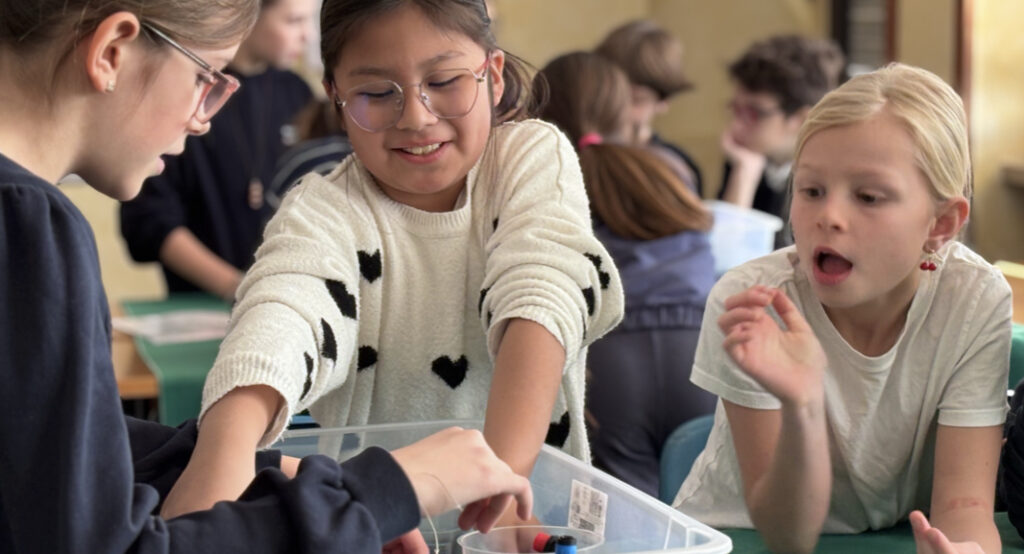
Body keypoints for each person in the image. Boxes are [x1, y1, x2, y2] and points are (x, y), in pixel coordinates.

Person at [0, 1, 535, 552]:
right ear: (112, 51)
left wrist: (280, 478)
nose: (201, 118)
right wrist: (380, 493)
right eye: (205, 78)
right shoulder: (26, 224)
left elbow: (46, 466)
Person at [159, 0, 624, 526]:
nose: (416, 116)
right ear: (336, 98)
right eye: (377, 93)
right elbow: (279, 319)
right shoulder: (324, 208)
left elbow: (542, 295)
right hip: (378, 524)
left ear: (492, 76)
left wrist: (499, 476)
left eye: (446, 80)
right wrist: (219, 458)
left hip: (531, 510)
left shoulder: (530, 159)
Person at [674, 63, 1008, 554]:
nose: (829, 216)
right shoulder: (754, 298)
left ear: (941, 222)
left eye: (868, 197)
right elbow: (787, 533)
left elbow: (964, 508)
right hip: (738, 538)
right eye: (810, 191)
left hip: (889, 540)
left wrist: (968, 550)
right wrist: (802, 405)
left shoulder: (975, 299)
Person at [536, 51, 716, 497]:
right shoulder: (667, 169)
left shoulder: (549, 184)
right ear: (626, 112)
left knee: (623, 521)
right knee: (706, 514)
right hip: (701, 348)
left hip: (608, 356)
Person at [119, 0, 317, 300]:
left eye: (310, 20)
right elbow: (150, 218)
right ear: (249, 15)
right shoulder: (186, 88)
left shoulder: (300, 95)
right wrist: (238, 288)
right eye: (293, 21)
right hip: (198, 307)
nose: (309, 36)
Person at [717, 34, 845, 247]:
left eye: (753, 113)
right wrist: (744, 174)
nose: (737, 125)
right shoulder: (745, 160)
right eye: (735, 109)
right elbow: (721, 263)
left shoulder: (828, 180)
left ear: (801, 118)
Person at [595, 20, 704, 197]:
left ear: (663, 100)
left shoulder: (674, 167)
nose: (618, 109)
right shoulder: (581, 152)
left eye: (635, 99)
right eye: (611, 94)